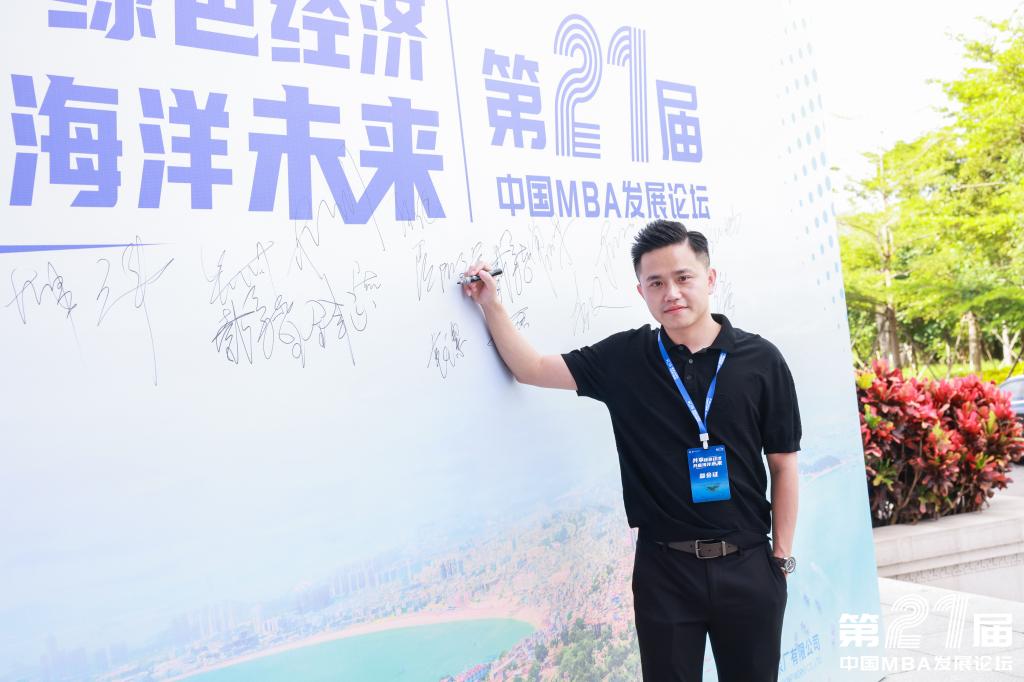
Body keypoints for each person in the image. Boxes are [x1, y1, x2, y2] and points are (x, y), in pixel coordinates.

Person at [461, 219, 800, 681]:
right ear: (641, 291)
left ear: (710, 278)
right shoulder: (625, 358)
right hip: (665, 571)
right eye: (655, 283)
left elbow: (783, 464)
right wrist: (491, 304)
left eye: (683, 277)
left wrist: (780, 559)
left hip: (749, 565)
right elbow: (532, 368)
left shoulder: (761, 360)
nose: (671, 293)